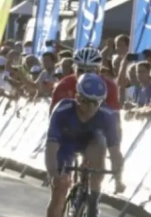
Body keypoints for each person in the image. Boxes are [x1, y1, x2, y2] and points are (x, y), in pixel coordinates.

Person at [42, 73, 123, 217]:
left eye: (97, 103)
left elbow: (115, 153)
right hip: (65, 144)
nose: (92, 108)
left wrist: (119, 178)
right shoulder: (62, 110)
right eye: (87, 102)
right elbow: (51, 148)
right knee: (59, 193)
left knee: (100, 146)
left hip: (91, 143)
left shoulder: (107, 115)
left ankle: (93, 199)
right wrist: (54, 175)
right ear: (78, 97)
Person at [50, 46, 124, 194]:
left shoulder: (108, 86)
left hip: (94, 132)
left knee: (101, 143)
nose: (84, 74)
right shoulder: (64, 85)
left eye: (90, 70)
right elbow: (53, 120)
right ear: (74, 68)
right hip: (69, 131)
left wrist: (118, 175)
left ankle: (94, 195)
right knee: (61, 182)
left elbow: (115, 122)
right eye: (81, 70)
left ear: (98, 70)